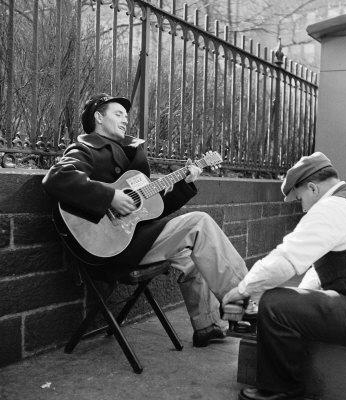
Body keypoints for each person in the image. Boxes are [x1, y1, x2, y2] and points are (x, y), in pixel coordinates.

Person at [42, 93, 248, 347]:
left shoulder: (132, 155)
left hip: (136, 238)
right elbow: (57, 178)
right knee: (199, 223)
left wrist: (186, 182)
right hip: (109, 247)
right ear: (98, 117)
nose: (125, 120)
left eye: (126, 116)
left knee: (191, 253)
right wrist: (110, 197)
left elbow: (153, 210)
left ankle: (207, 326)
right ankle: (246, 307)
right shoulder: (85, 149)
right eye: (118, 114)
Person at [223, 152, 346, 400]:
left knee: (275, 305)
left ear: (313, 188)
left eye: (299, 198)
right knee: (293, 304)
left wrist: (242, 290)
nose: (302, 207)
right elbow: (318, 270)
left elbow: (284, 260)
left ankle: (281, 389)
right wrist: (299, 299)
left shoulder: (332, 208)